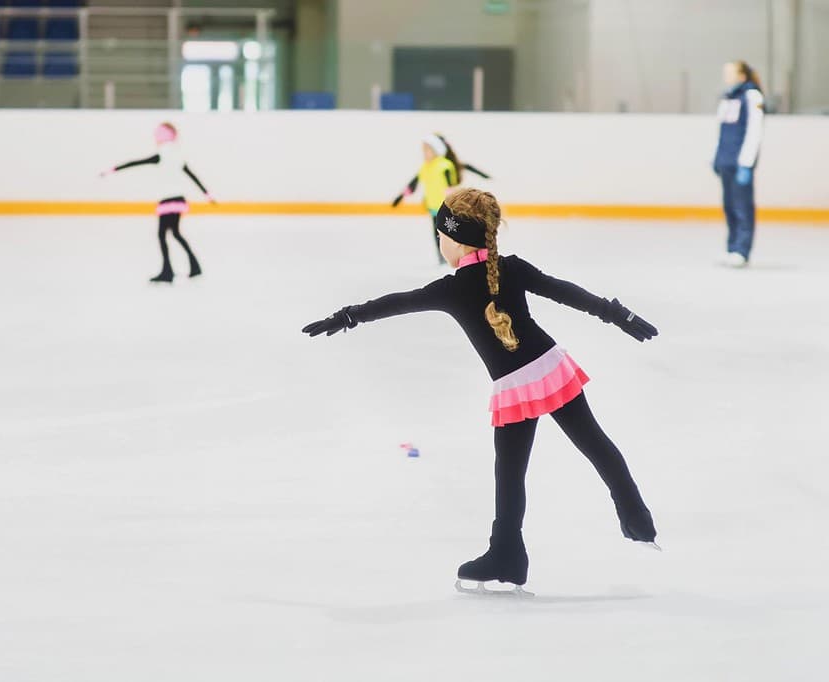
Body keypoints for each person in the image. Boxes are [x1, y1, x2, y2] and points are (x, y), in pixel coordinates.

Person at [302, 188, 658, 593]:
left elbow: (397, 303)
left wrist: (349, 316)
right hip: (550, 367)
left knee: (510, 474)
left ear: (454, 239)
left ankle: (507, 551)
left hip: (516, 387)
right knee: (593, 442)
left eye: (441, 236)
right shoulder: (511, 268)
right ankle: (636, 517)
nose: (440, 243)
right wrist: (616, 313)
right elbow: (566, 291)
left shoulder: (451, 288)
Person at [100, 122, 214, 283]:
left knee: (163, 234)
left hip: (168, 200)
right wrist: (207, 194)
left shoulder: (162, 155)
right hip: (179, 199)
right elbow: (192, 175)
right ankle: (193, 267)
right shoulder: (177, 156)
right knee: (175, 233)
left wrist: (112, 170)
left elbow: (135, 163)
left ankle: (168, 271)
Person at [391, 134, 491, 264]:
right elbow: (414, 183)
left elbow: (451, 186)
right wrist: (401, 196)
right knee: (437, 233)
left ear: (436, 150)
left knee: (454, 232)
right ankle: (442, 257)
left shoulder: (445, 166)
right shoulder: (425, 167)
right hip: (433, 207)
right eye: (423, 150)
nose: (424, 153)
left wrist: (456, 203)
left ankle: (469, 253)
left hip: (447, 207)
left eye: (428, 150)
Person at [714, 61, 764, 268]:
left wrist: (747, 162)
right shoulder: (727, 98)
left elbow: (755, 130)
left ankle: (742, 250)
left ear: (742, 75)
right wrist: (716, 157)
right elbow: (721, 131)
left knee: (743, 207)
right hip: (725, 159)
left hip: (740, 160)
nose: (726, 75)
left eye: (730, 72)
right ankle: (732, 246)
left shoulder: (752, 96)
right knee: (729, 206)